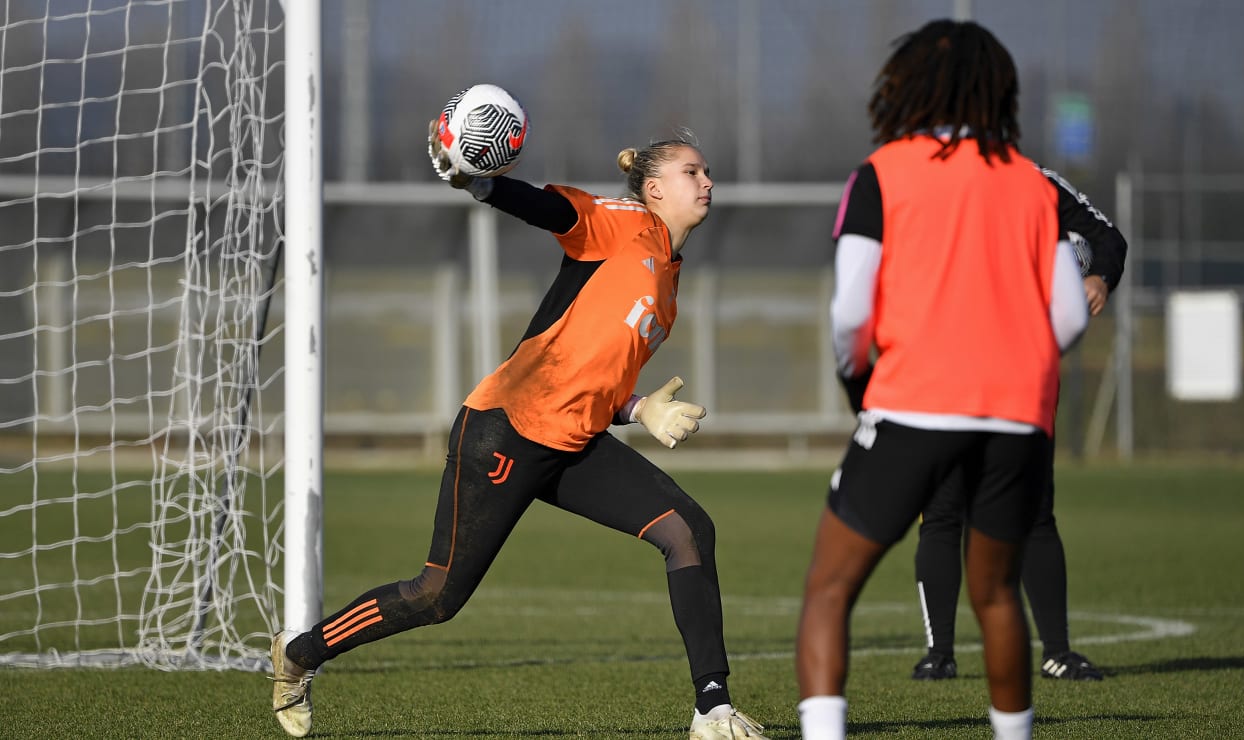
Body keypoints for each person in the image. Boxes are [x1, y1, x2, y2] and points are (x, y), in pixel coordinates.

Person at [269, 124, 769, 740]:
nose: (708, 181)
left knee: (689, 531)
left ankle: (712, 708)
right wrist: (482, 183)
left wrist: (640, 410)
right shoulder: (623, 223)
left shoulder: (667, 285)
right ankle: (299, 655)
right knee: (436, 597)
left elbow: (595, 385)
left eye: (706, 171)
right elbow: (552, 209)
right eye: (693, 172)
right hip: (504, 432)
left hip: (572, 445)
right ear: (654, 188)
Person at [794, 19, 1090, 740]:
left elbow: (850, 310)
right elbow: (1071, 315)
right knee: (996, 596)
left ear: (905, 85)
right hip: (1017, 416)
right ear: (999, 91)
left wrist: (857, 381)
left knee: (829, 591)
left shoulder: (882, 172)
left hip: (914, 404)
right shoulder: (1030, 181)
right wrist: (1016, 362)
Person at [907, 169, 1127, 684]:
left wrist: (1099, 277)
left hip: (1021, 372)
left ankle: (1057, 652)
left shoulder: (1038, 183)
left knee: (1032, 512)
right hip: (945, 369)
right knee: (942, 511)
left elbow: (1107, 238)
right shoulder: (930, 184)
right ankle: (938, 652)